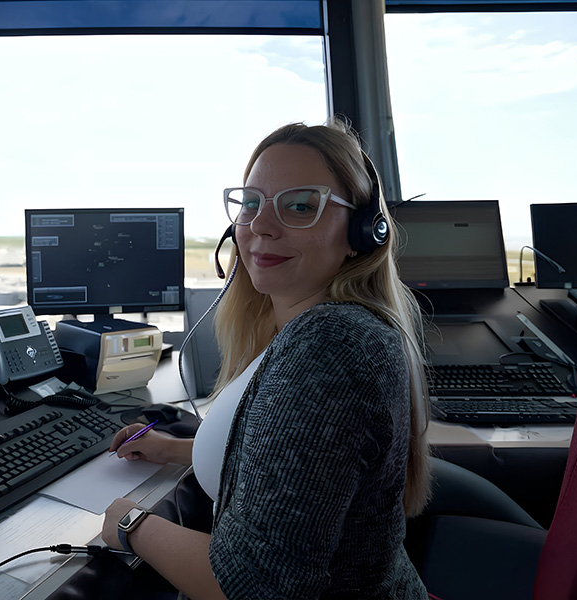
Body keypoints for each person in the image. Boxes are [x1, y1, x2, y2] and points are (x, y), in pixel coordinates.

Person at [101, 118, 432, 599]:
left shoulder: (330, 344)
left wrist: (130, 524)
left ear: (361, 232)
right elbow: (296, 467)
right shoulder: (303, 329)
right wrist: (174, 449)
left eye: (300, 206)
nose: (260, 226)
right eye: (251, 204)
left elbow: (254, 587)